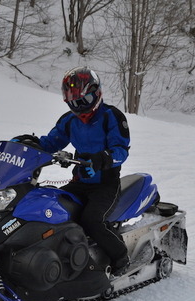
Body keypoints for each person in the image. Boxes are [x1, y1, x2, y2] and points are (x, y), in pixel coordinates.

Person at [13, 66, 130, 274]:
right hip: (80, 182)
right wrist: (28, 145)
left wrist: (100, 160)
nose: (79, 107)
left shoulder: (111, 116)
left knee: (91, 220)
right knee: (55, 211)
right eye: (74, 103)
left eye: (83, 101)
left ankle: (121, 257)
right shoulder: (69, 120)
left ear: (96, 94)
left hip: (105, 185)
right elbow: (51, 143)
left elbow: (121, 150)